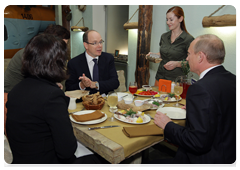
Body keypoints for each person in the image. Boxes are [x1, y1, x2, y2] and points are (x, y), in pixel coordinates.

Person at [6, 34, 102, 167]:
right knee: (100, 159)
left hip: (22, 160)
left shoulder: (16, 90)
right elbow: (67, 151)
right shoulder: (51, 96)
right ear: (57, 63)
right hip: (45, 163)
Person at [148, 34, 238, 167]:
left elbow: (197, 142)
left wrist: (168, 125)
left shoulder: (200, 89)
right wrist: (195, 110)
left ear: (200, 56)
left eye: (189, 54)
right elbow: (221, 112)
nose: (186, 58)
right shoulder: (234, 80)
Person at [4, 24, 70, 136]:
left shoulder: (59, 59)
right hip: (21, 112)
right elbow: (6, 96)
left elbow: (60, 91)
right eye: (61, 45)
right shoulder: (25, 56)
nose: (63, 50)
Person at [146, 6, 194, 86]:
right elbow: (163, 54)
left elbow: (192, 63)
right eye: (167, 20)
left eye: (171, 19)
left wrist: (177, 64)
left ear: (180, 19)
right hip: (160, 78)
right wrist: (153, 55)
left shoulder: (188, 39)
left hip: (176, 81)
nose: (168, 22)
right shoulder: (164, 37)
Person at [65, 30, 119, 95]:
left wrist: (96, 84)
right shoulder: (74, 63)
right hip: (84, 102)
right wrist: (82, 85)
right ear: (86, 45)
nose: (100, 46)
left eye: (100, 42)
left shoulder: (108, 58)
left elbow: (115, 83)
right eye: (95, 43)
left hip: (104, 100)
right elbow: (69, 89)